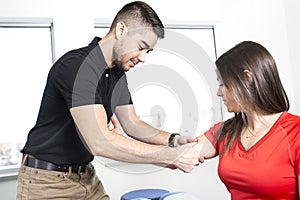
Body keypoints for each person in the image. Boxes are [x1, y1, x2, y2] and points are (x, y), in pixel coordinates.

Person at [16, 1, 202, 199]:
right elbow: (99, 141)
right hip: (47, 181)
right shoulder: (77, 67)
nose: (143, 58)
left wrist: (173, 141)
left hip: (86, 176)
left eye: (148, 52)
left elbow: (133, 124)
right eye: (141, 47)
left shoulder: (117, 73)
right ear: (121, 30)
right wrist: (168, 156)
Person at [193, 41, 300, 199]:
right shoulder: (226, 130)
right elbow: (184, 153)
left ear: (247, 78)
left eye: (222, 84)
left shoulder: (295, 133)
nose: (218, 92)